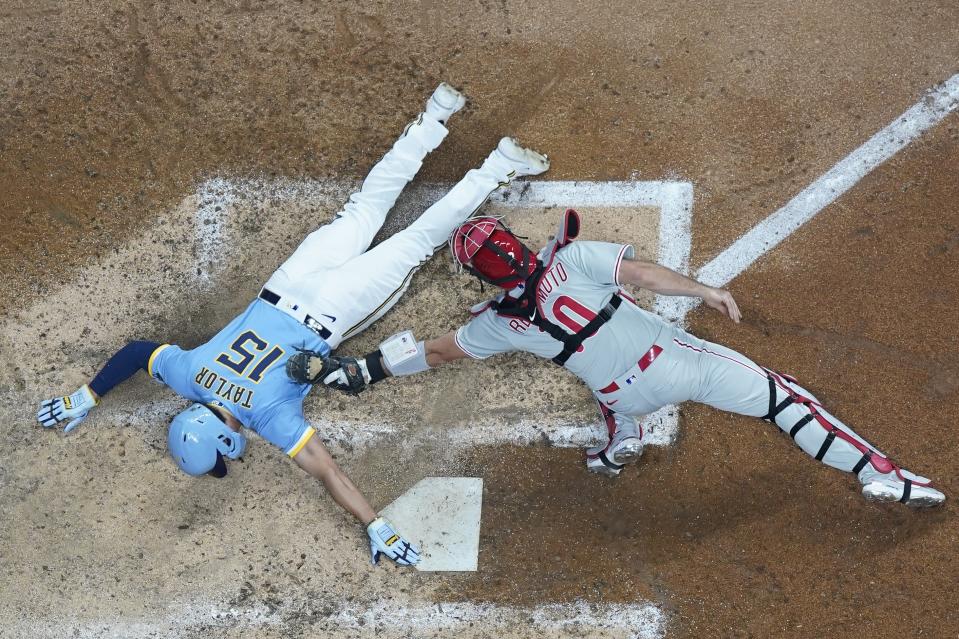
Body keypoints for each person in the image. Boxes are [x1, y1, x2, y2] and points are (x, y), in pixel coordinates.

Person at [35, 83, 552, 565]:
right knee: (363, 209)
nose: (230, 462)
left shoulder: (268, 419)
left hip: (335, 308)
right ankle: (436, 114)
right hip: (288, 280)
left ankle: (498, 165)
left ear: (224, 441)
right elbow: (134, 352)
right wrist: (87, 396)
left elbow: (329, 472)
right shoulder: (187, 373)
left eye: (223, 459)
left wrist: (376, 524)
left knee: (417, 241)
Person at [313, 208, 945, 508]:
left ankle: (616, 449)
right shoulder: (574, 261)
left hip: (621, 395)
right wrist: (706, 291)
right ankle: (880, 472)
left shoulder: (497, 326)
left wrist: (364, 370)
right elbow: (646, 275)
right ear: (516, 244)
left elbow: (438, 352)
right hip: (678, 362)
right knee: (784, 399)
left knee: (614, 407)